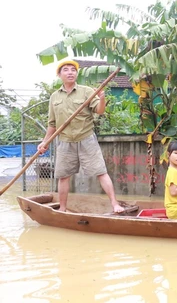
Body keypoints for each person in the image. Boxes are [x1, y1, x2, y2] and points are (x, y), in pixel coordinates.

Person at [37, 59, 124, 213]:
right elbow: (52, 123)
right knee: (63, 176)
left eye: (73, 70)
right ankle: (62, 209)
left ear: (76, 74)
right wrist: (45, 142)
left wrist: (102, 98)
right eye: (66, 70)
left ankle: (115, 204)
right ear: (59, 74)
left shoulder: (86, 91)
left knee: (101, 171)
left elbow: (99, 110)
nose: (70, 72)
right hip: (65, 141)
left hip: (86, 138)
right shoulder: (54, 97)